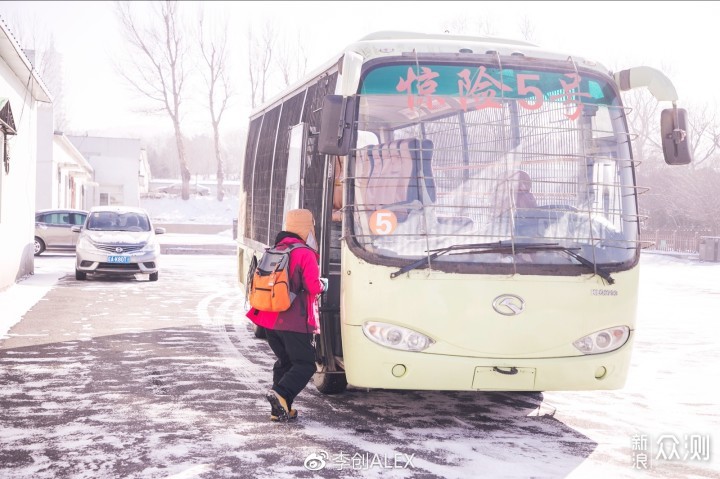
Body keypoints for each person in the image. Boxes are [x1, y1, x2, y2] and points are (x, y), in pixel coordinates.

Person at [245, 209, 328, 422]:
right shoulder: (305, 253)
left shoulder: (275, 249)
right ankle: (281, 394)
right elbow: (312, 285)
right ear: (307, 227)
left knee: (285, 362)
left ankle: (281, 409)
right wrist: (323, 285)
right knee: (305, 364)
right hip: (293, 321)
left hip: (269, 319)